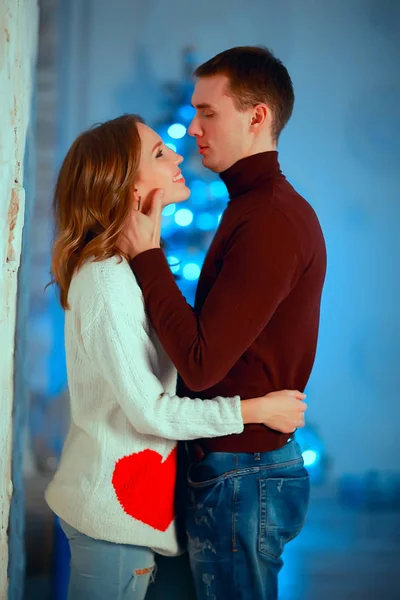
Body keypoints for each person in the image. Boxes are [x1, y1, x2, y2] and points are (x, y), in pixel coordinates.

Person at [44, 113, 307, 600]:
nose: (180, 155)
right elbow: (151, 411)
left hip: (136, 516)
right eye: (160, 154)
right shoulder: (105, 281)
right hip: (111, 519)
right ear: (125, 183)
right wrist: (256, 410)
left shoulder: (129, 270)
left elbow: (186, 360)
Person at [125, 46, 327, 600]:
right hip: (235, 465)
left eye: (208, 112)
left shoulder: (270, 219)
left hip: (244, 473)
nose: (193, 128)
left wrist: (148, 257)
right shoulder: (252, 205)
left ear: (257, 116)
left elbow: (202, 362)